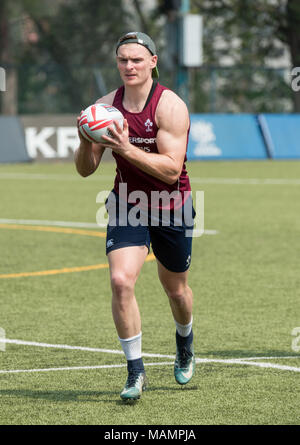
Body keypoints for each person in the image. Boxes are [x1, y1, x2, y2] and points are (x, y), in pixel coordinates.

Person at [75, 32, 195, 401]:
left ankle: (185, 341)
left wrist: (125, 147)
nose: (129, 66)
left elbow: (172, 171)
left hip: (173, 205)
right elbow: (86, 169)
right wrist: (84, 140)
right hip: (127, 202)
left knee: (176, 290)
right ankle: (135, 371)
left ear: (153, 62)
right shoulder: (105, 108)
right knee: (121, 280)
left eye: (137, 60)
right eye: (123, 60)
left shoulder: (169, 107)